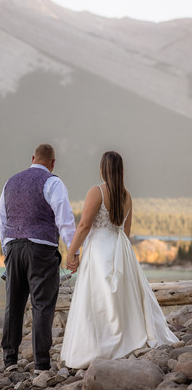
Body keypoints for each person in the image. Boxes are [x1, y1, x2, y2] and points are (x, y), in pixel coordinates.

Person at [61, 151, 178, 369]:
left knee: (98, 296)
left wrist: (71, 253)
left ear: (103, 169)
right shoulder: (127, 195)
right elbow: (127, 229)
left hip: (99, 249)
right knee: (123, 294)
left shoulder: (96, 191)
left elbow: (84, 226)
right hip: (120, 247)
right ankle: (127, 336)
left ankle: (102, 343)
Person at [0, 143, 78, 373]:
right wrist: (73, 252)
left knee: (13, 305)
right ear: (53, 163)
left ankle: (9, 361)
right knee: (42, 306)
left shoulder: (9, 183)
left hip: (14, 248)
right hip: (42, 250)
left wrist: (8, 250)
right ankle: (41, 364)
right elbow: (65, 219)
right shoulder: (53, 182)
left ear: (32, 158)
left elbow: (2, 220)